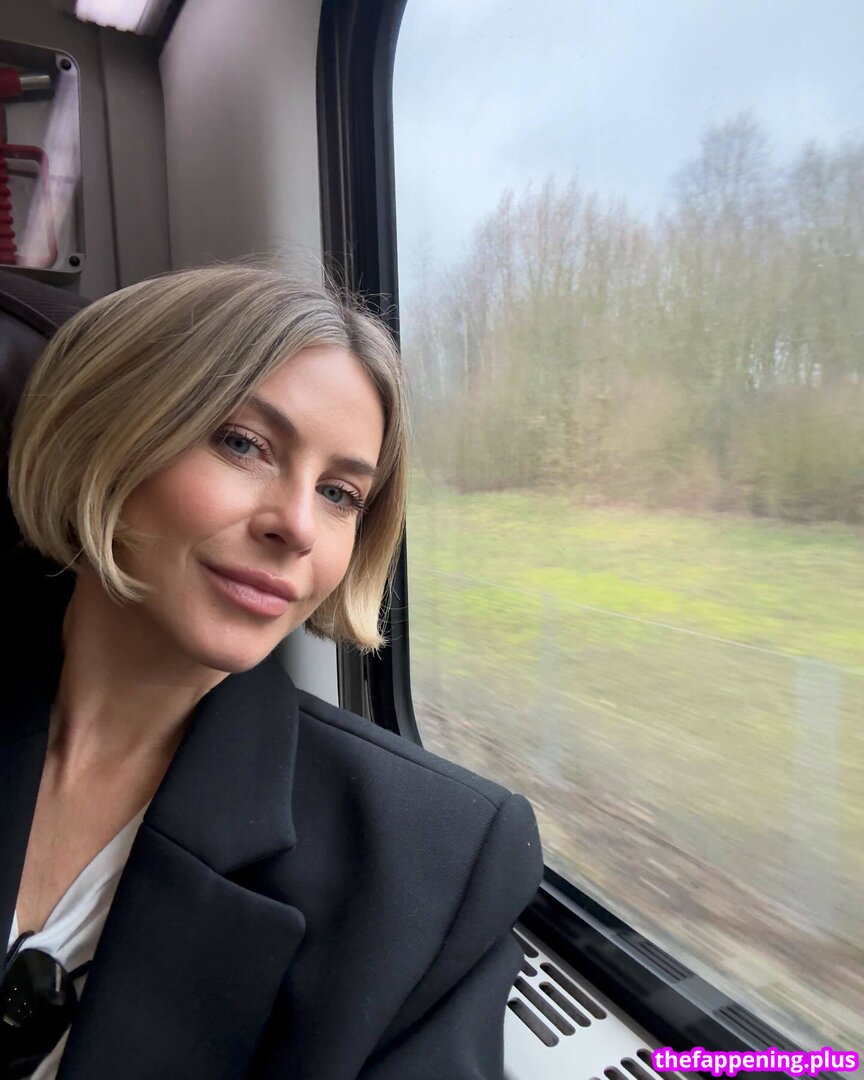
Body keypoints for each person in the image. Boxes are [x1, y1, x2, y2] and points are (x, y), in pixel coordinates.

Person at [0, 264, 543, 1080]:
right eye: (243, 444)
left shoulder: (433, 863)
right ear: (99, 430)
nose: (298, 526)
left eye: (340, 493)